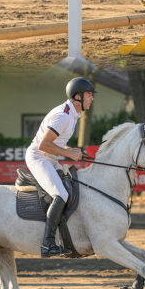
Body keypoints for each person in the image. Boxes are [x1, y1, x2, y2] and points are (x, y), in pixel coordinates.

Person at [25, 77, 95, 257]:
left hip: (50, 157)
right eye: (89, 95)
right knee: (61, 194)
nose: (92, 98)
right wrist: (69, 153)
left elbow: (56, 143)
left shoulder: (72, 114)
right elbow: (43, 145)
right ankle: (47, 243)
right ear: (78, 96)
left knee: (71, 187)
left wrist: (70, 150)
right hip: (39, 157)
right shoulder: (63, 116)